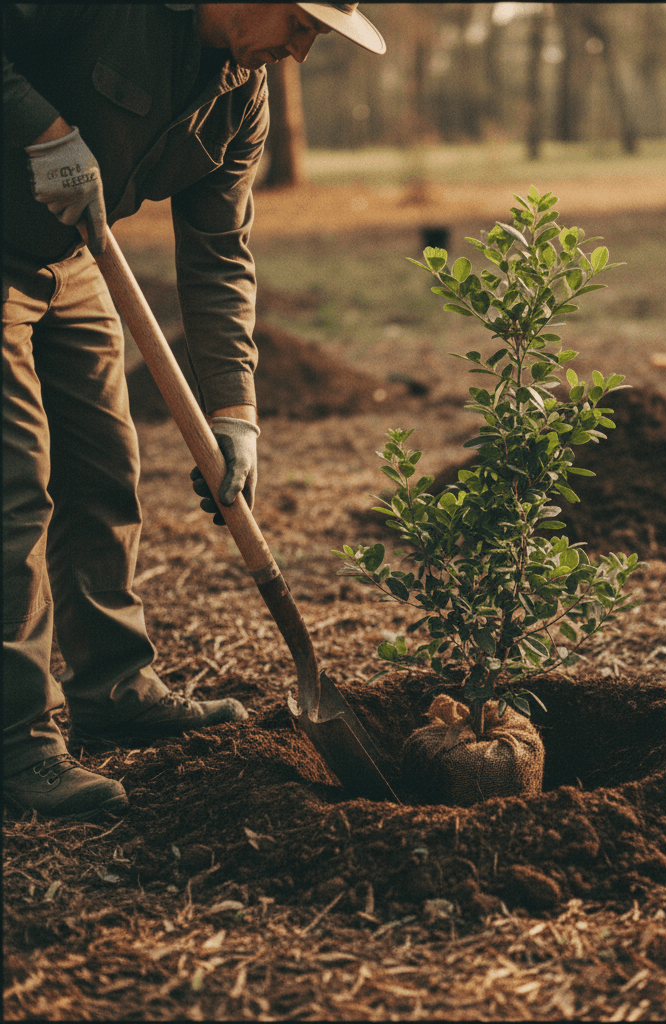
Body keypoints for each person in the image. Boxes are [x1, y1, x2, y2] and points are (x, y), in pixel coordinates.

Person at [3, 4, 386, 822]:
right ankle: (15, 740)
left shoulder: (242, 96)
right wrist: (41, 129)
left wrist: (236, 414)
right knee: (15, 490)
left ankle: (113, 687)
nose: (300, 51)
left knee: (105, 470)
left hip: (73, 257)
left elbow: (219, 253)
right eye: (300, 23)